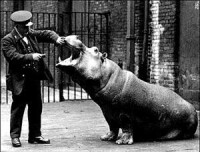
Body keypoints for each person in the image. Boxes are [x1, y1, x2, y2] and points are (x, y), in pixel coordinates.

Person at [1, 10, 65, 147]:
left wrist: (56, 38)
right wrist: (31, 56)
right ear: (17, 26)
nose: (28, 29)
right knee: (18, 108)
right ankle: (15, 137)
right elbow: (13, 57)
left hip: (33, 79)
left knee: (36, 107)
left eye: (29, 26)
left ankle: (35, 135)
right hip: (20, 80)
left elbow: (46, 33)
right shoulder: (8, 40)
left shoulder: (29, 33)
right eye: (25, 27)